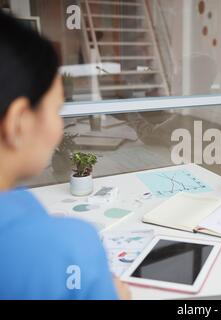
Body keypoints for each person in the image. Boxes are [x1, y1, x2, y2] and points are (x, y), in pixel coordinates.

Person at [0, 11, 130, 299]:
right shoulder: (69, 248)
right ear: (19, 122)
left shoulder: (21, 202)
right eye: (57, 111)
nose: (60, 128)